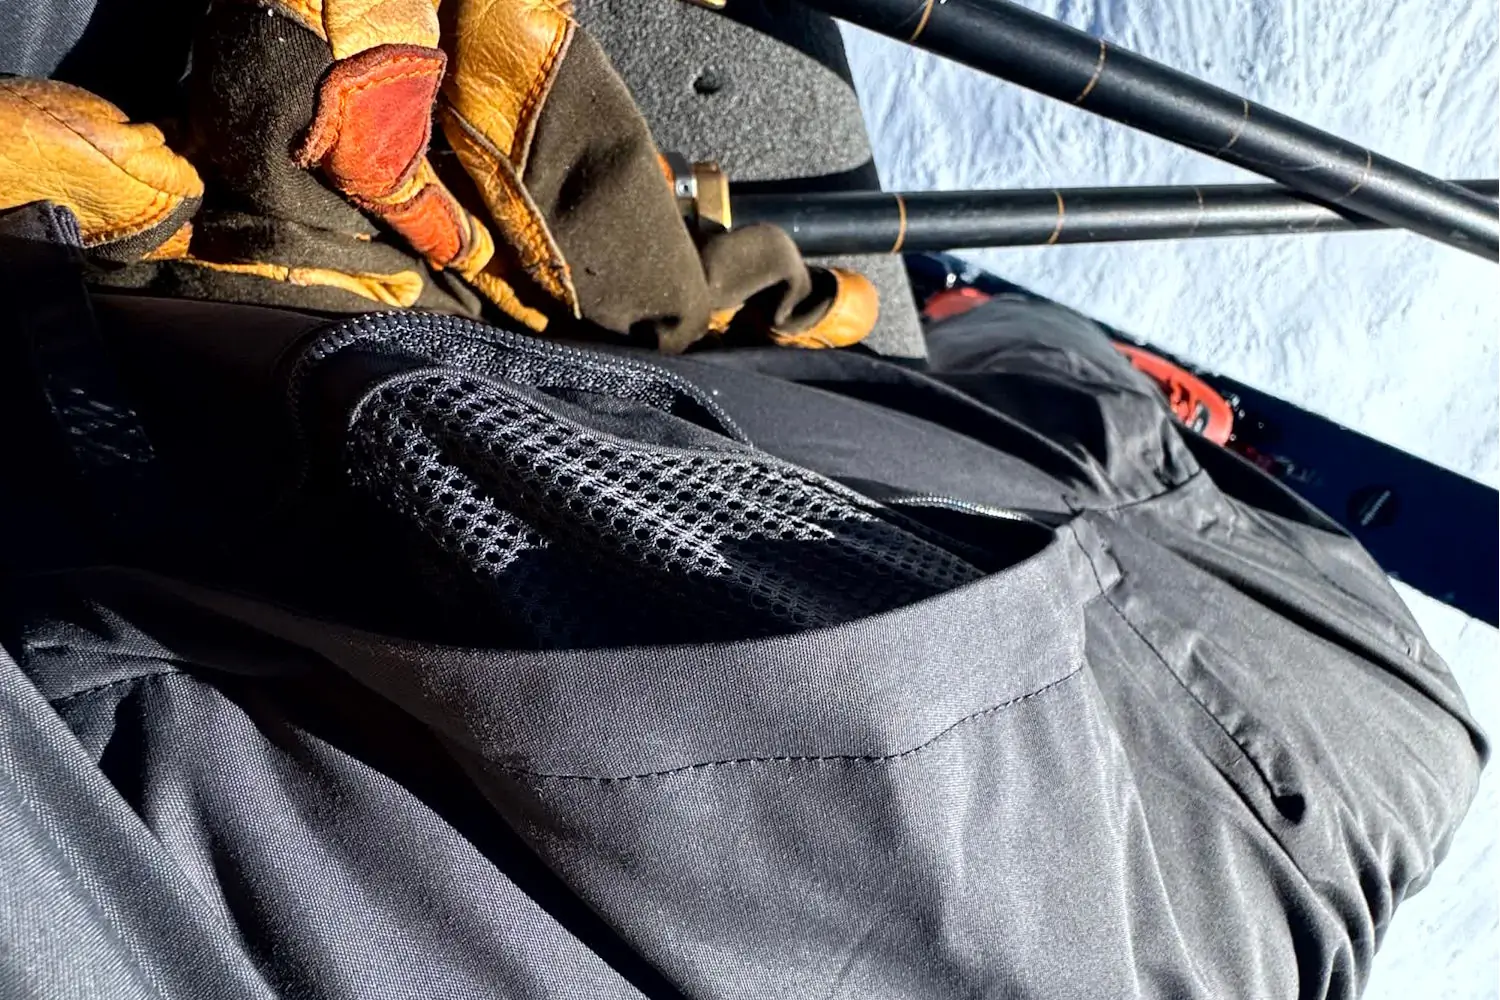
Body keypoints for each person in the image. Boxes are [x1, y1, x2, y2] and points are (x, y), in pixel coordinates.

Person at [0, 1, 1484, 998]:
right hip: (1280, 728)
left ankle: (309, 345)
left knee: (878, 727)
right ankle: (328, 346)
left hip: (1255, 752)